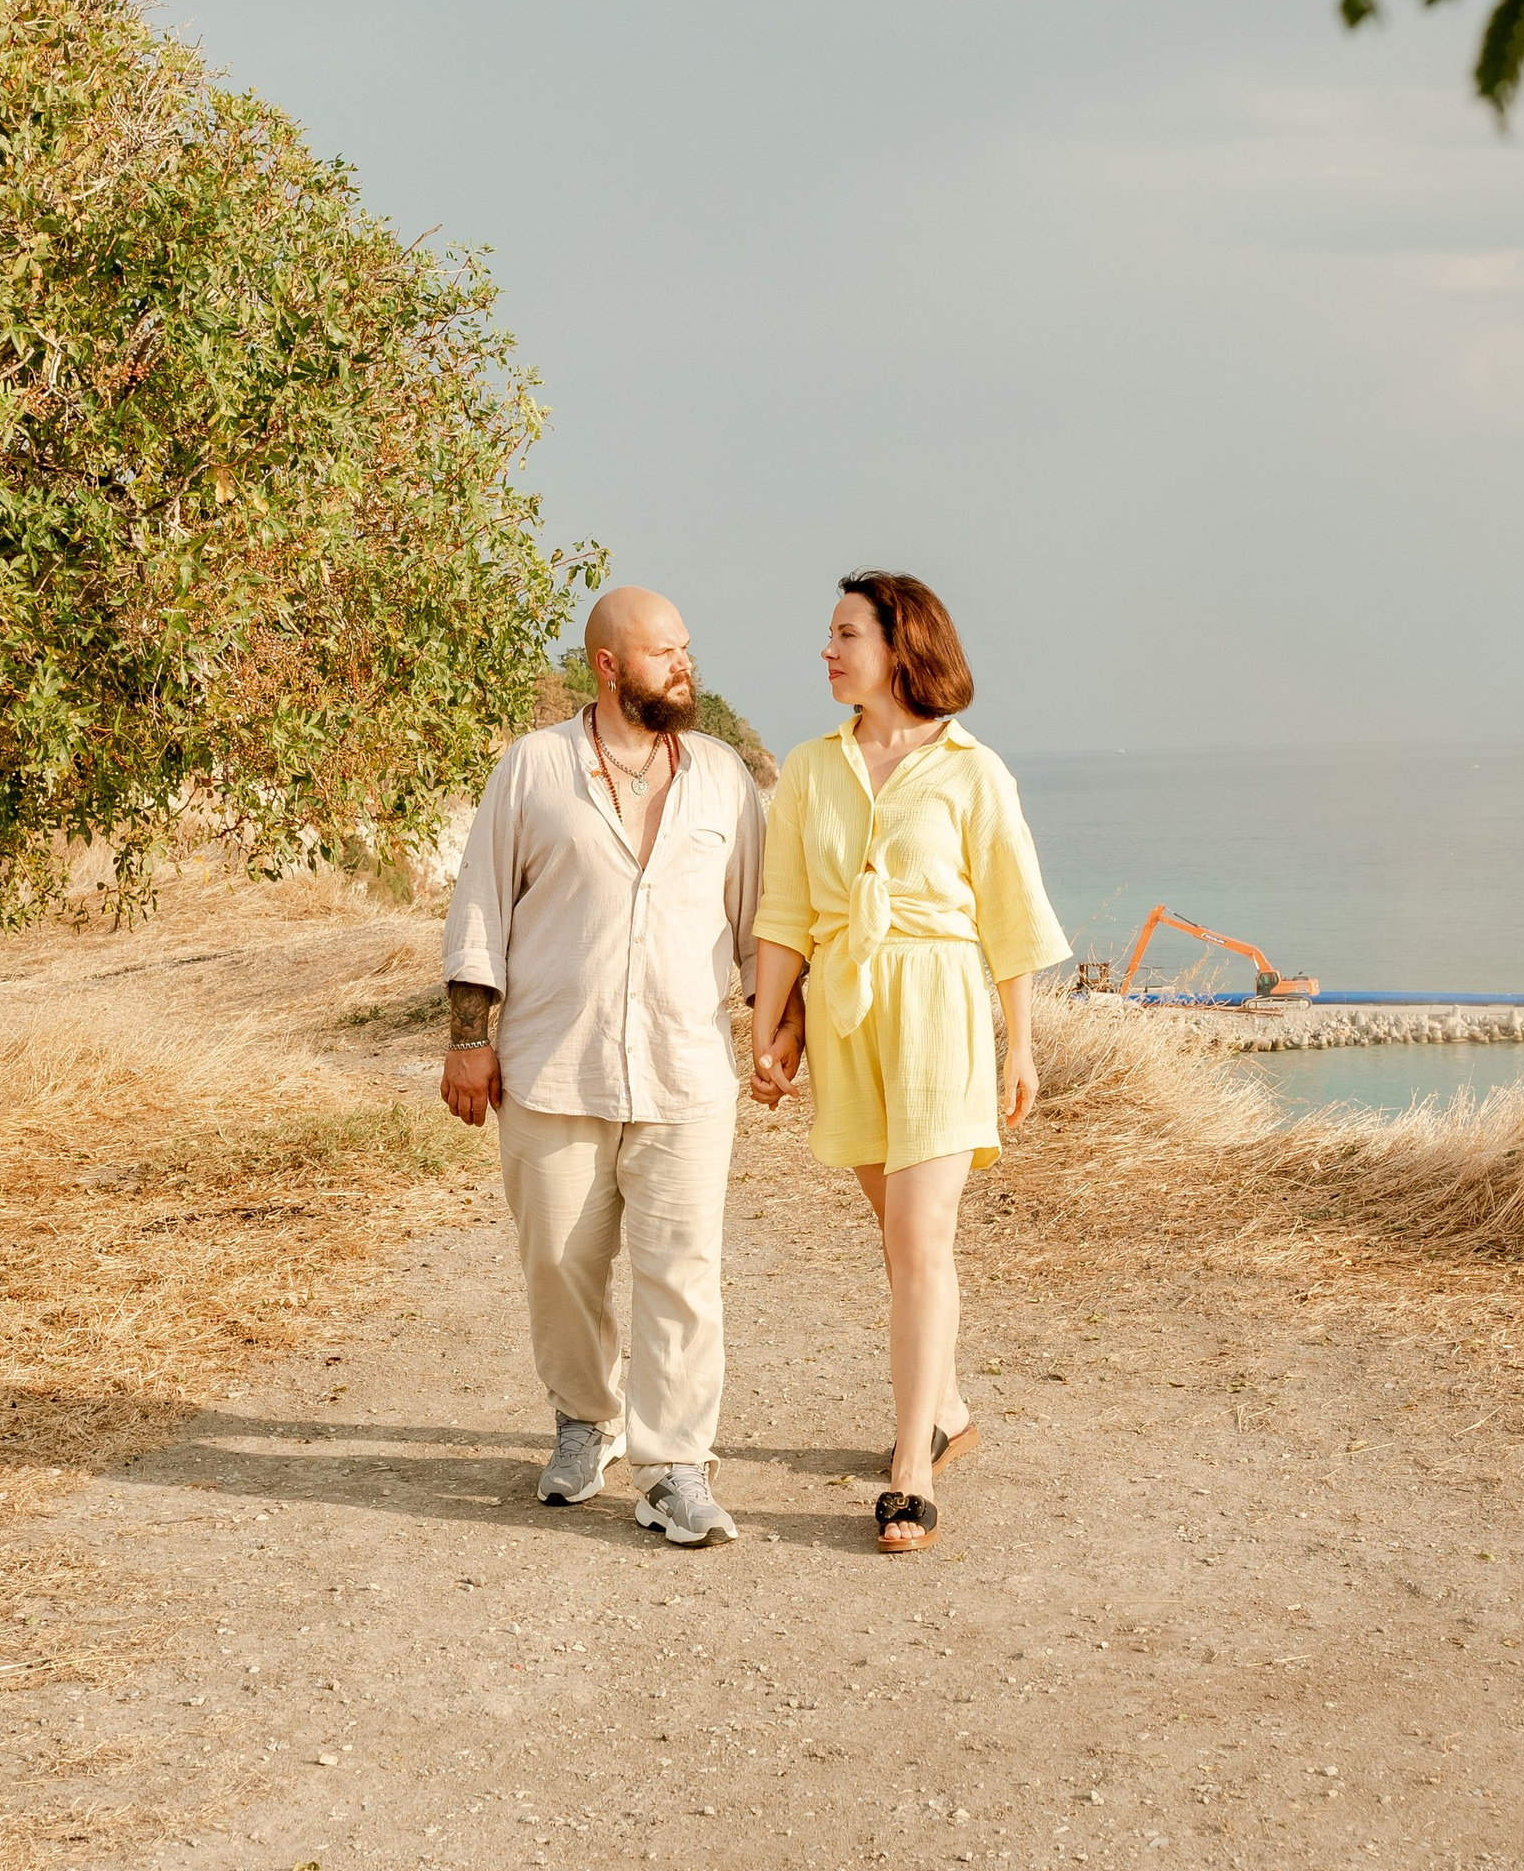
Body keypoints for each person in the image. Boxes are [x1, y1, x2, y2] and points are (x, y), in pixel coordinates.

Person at [439, 585, 794, 1547]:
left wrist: (775, 1030)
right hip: (554, 1066)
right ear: (608, 667)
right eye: (664, 653)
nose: (686, 665)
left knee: (684, 1271)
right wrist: (470, 1037)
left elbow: (760, 922)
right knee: (560, 1264)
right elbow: (480, 911)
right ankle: (583, 1421)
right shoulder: (533, 769)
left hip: (686, 1072)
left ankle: (677, 1465)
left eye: (686, 647)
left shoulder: (723, 778)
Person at [751, 569, 1070, 1553]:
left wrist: (1021, 1045)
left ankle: (910, 1469)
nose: (828, 650)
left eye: (846, 633)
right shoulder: (808, 768)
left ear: (901, 646)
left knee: (922, 1241)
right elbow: (784, 915)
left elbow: (1012, 917)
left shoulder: (974, 769)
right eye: (830, 634)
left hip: (939, 1011)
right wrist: (769, 1032)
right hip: (847, 1015)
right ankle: (950, 1410)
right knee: (899, 1240)